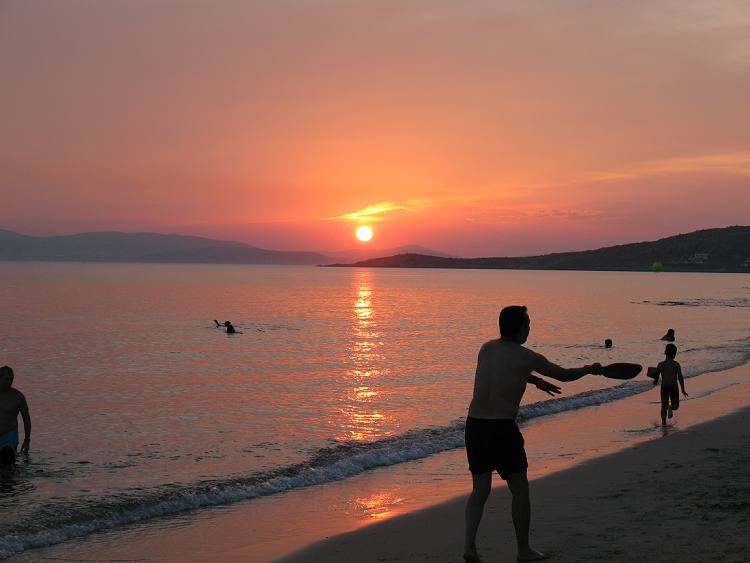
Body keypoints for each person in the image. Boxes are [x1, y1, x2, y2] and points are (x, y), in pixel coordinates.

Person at [463, 306, 602, 563]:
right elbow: (564, 375)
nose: (529, 328)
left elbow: (503, 371)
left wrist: (535, 381)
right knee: (520, 489)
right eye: (527, 324)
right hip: (502, 429)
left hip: (474, 426)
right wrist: (590, 368)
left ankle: (469, 548)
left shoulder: (486, 349)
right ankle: (523, 550)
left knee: (480, 491)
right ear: (518, 328)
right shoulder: (528, 357)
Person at [651, 343, 688, 426]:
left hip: (664, 387)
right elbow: (680, 377)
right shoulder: (676, 364)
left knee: (664, 406)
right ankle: (670, 407)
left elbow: (656, 377)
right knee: (676, 406)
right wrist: (683, 389)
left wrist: (655, 382)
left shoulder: (660, 364)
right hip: (673, 387)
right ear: (674, 354)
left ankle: (664, 423)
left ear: (665, 353)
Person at [0, 366, 31, 462]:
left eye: (11, 379)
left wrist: (26, 440)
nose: (10, 381)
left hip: (10, 435)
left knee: (8, 458)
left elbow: (26, 419)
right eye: (7, 379)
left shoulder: (18, 397)